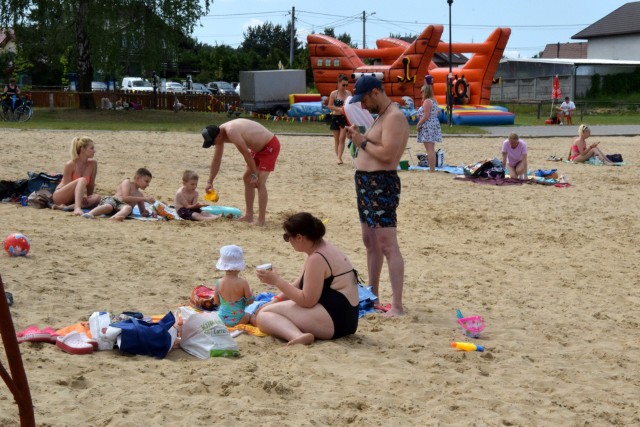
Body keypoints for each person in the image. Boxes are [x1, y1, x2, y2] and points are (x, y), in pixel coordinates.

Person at [344, 76, 409, 317]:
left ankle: (398, 306)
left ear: (375, 92)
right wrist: (358, 137)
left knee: (388, 245)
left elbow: (388, 155)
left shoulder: (394, 117)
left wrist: (361, 142)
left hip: (381, 183)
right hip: (365, 183)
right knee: (370, 242)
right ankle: (374, 296)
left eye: (364, 100)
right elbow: (375, 146)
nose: (362, 106)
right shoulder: (381, 116)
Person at [254, 212, 359, 345]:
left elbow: (307, 300)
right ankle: (297, 333)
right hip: (347, 318)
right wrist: (276, 300)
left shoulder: (317, 258)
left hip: (335, 322)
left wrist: (277, 281)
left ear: (299, 237)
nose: (288, 241)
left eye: (287, 237)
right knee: (267, 309)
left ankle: (297, 336)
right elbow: (301, 282)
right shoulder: (322, 247)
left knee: (264, 316)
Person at [201, 119, 280, 226]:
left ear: (218, 136)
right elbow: (216, 160)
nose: (214, 145)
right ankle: (249, 215)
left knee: (260, 182)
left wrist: (254, 174)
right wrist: (210, 181)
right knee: (246, 178)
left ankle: (261, 220)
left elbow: (246, 154)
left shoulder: (231, 131)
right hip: (257, 149)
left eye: (213, 142)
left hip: (270, 145)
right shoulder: (218, 132)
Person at [81, 168, 156, 221]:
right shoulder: (127, 182)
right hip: (114, 201)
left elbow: (142, 211)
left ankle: (113, 218)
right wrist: (144, 199)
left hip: (121, 208)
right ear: (138, 178)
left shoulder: (140, 195)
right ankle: (90, 214)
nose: (148, 184)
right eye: (146, 181)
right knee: (108, 206)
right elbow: (124, 198)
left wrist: (145, 212)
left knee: (128, 208)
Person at [52, 136, 101, 215]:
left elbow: (91, 185)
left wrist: (89, 198)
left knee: (97, 198)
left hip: (75, 198)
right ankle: (77, 208)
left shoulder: (93, 164)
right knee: (82, 180)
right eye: (91, 148)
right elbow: (67, 185)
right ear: (83, 149)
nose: (94, 151)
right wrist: (82, 196)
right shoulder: (70, 164)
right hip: (61, 195)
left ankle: (66, 207)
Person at [213, 244, 254, 327]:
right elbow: (250, 301)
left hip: (222, 319)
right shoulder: (243, 282)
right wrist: (252, 293)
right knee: (250, 316)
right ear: (239, 266)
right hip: (239, 318)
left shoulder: (218, 282)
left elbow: (216, 302)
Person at [416, 76, 442, 172]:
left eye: (422, 92)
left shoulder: (427, 101)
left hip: (428, 126)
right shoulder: (434, 101)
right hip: (434, 124)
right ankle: (432, 168)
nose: (421, 93)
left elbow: (426, 116)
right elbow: (437, 112)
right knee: (431, 148)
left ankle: (432, 169)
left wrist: (418, 124)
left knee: (429, 149)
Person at [327, 74, 352, 165]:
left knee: (342, 139)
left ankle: (339, 158)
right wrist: (339, 109)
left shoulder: (349, 93)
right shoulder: (334, 94)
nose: (345, 87)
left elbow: (351, 105)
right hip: (335, 117)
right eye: (343, 85)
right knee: (336, 140)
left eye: (346, 85)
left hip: (344, 118)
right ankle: (338, 157)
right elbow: (329, 106)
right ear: (338, 83)